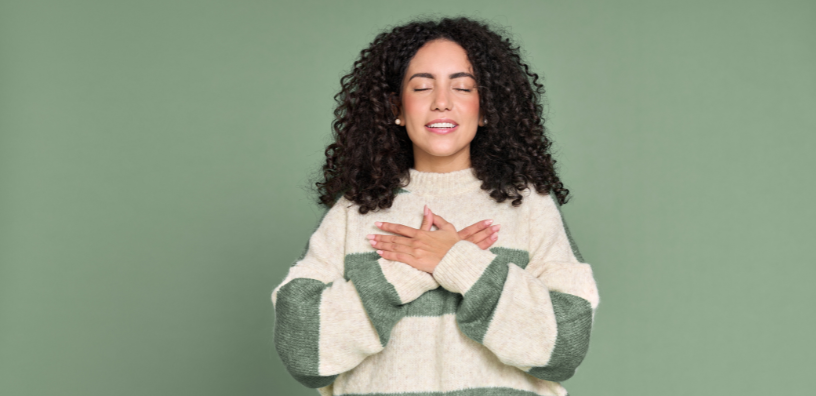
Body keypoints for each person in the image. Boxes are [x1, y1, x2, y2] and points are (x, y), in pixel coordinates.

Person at [271, 16, 600, 396]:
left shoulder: (528, 205)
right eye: (422, 87)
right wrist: (410, 270)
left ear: (486, 108)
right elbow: (303, 351)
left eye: (462, 88)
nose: (442, 103)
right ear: (396, 107)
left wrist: (460, 262)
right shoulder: (354, 210)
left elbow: (565, 348)